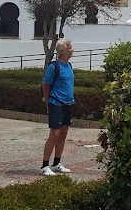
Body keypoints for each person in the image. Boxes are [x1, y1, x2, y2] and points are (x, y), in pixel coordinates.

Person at [39, 38, 75, 176]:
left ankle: (57, 163)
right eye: (70, 47)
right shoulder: (54, 67)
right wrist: (48, 102)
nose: (72, 50)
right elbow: (46, 85)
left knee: (64, 132)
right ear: (63, 51)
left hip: (69, 103)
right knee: (54, 133)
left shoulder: (69, 66)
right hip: (56, 103)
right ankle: (44, 165)